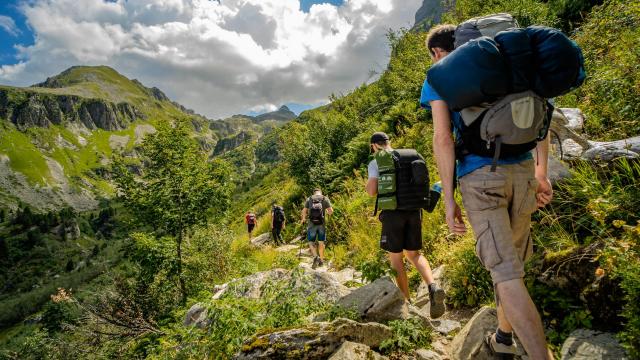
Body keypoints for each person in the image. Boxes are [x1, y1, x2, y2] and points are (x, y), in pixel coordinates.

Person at [422, 25, 554, 359]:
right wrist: (541, 173)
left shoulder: (441, 75)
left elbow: (443, 139)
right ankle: (504, 339)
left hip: (480, 179)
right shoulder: (510, 61)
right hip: (523, 171)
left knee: (504, 271)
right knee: (513, 269)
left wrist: (449, 199)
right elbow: (542, 118)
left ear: (438, 52)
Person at [365, 131, 446, 319]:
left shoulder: (377, 161)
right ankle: (433, 287)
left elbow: (371, 191)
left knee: (396, 258)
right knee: (415, 254)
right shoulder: (411, 156)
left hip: (393, 214)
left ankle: (406, 302)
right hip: (414, 210)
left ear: (374, 146)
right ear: (388, 142)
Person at [300, 188, 333, 268]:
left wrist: (303, 219)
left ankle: (316, 257)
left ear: (314, 193)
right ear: (320, 192)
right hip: (322, 224)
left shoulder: (309, 199)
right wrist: (328, 214)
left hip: (311, 224)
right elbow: (331, 211)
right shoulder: (325, 198)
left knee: (311, 242)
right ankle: (321, 261)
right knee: (321, 242)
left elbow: (304, 211)